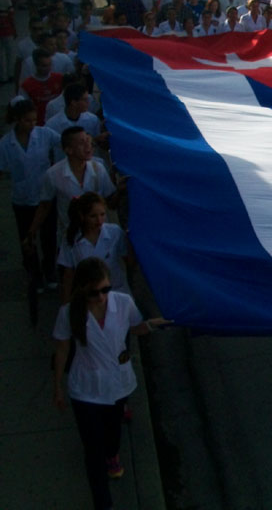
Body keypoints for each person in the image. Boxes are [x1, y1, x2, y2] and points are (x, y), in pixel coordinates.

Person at [52, 257, 169, 510]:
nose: (102, 297)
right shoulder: (68, 313)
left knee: (112, 436)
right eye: (94, 292)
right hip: (85, 390)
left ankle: (112, 454)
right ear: (82, 289)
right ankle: (103, 503)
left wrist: (156, 324)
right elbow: (62, 349)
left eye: (105, 289)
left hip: (116, 386)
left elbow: (136, 328)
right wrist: (57, 387)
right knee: (93, 452)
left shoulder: (123, 303)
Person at [0, 97, 61, 323]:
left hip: (45, 196)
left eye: (34, 120)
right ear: (17, 120)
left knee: (48, 235)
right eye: (27, 121)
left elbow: (62, 142)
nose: (32, 124)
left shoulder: (44, 134)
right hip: (23, 199)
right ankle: (33, 274)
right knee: (27, 238)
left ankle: (49, 270)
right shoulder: (6, 144)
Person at [27, 126, 116, 247]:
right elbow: (44, 205)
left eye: (88, 141)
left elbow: (110, 199)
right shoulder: (54, 174)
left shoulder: (98, 169)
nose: (88, 146)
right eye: (81, 143)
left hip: (100, 235)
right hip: (71, 237)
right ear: (69, 150)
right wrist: (32, 231)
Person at [58, 192, 131, 303]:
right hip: (88, 296)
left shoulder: (114, 232)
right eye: (93, 216)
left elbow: (129, 261)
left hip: (116, 291)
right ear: (82, 216)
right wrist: (66, 303)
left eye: (102, 215)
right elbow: (68, 274)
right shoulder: (71, 238)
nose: (99, 220)